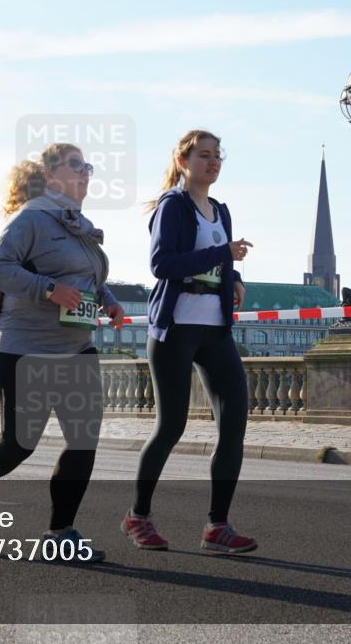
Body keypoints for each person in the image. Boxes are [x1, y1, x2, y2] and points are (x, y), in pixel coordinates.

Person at [0, 142, 125, 562]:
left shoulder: (79, 223)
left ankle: (60, 532)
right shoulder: (30, 219)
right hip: (23, 349)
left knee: (83, 440)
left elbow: (87, 279)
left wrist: (109, 300)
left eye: (88, 166)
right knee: (18, 445)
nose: (86, 172)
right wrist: (48, 289)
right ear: (51, 174)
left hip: (75, 347)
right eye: (76, 165)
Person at [122, 129, 257, 553]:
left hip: (215, 330)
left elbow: (217, 262)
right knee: (171, 426)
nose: (213, 162)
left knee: (234, 423)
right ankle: (137, 516)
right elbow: (162, 263)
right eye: (204, 155)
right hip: (175, 329)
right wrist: (223, 257)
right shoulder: (173, 206)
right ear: (184, 161)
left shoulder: (219, 210)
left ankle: (218, 526)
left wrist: (232, 279)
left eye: (218, 155)